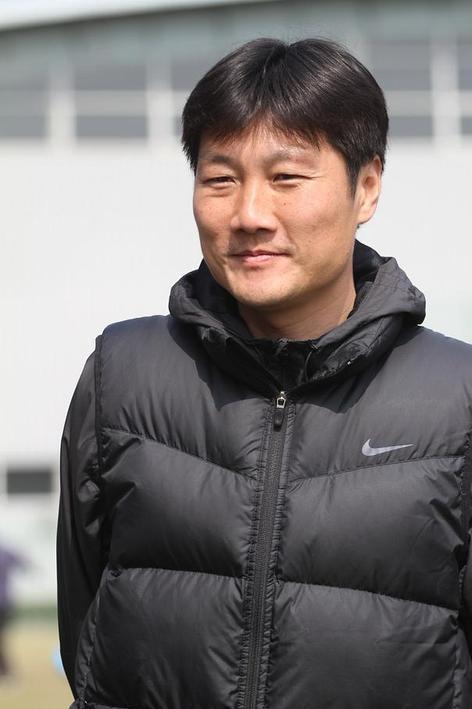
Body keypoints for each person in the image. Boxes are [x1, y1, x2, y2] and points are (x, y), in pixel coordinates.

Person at [57, 37, 472, 709]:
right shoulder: (123, 375)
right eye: (220, 179)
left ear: (366, 187)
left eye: (286, 178)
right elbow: (89, 632)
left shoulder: (456, 396)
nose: (249, 214)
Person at [0, 541, 26, 679]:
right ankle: (5, 671)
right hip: (5, 603)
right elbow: (23, 563)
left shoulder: (4, 552)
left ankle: (6, 671)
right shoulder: (5, 551)